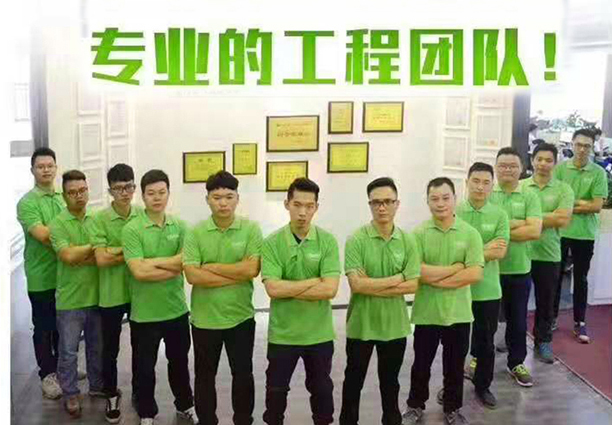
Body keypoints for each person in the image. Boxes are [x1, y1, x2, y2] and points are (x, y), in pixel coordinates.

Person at [401, 178, 484, 425]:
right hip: (426, 313)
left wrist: (435, 278)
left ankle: (452, 408)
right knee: (421, 365)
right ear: (427, 202)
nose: (440, 203)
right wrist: (455, 269)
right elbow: (416, 271)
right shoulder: (418, 234)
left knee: (455, 366)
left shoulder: (470, 233)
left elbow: (474, 274)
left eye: (445, 198)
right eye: (434, 199)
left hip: (459, 314)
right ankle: (415, 405)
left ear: (455, 199)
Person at [183, 171, 263, 425]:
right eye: (217, 197)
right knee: (205, 377)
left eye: (229, 197)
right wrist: (235, 273)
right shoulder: (195, 232)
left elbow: (252, 269)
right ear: (207, 199)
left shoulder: (251, 229)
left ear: (237, 198)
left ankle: (243, 420)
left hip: (241, 317)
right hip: (205, 320)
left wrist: (212, 268)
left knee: (243, 374)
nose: (223, 203)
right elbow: (192, 275)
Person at [339, 177, 420, 425]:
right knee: (353, 382)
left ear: (397, 204)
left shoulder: (408, 241)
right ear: (370, 205)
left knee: (390, 384)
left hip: (394, 327)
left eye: (387, 201)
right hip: (361, 325)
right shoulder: (357, 239)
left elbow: (413, 285)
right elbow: (357, 285)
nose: (382, 207)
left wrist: (372, 285)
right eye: (376, 202)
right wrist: (398, 278)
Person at [261, 178, 340, 425]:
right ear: (287, 204)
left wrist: (289, 287)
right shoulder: (272, 243)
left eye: (309, 206)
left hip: (319, 334)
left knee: (322, 391)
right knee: (276, 393)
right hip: (283, 334)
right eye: (297, 205)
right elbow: (273, 288)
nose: (303, 212)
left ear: (316, 207)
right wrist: (313, 282)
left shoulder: (327, 241)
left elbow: (330, 289)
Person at [122, 170, 197, 425]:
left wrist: (151, 262)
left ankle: (185, 406)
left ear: (168, 193)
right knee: (144, 368)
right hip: (144, 313)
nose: (157, 198)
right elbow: (139, 272)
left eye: (162, 192)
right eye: (151, 193)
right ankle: (146, 413)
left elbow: (185, 262)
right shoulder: (132, 229)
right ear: (142, 196)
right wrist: (171, 266)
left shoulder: (180, 226)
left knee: (180, 363)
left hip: (176, 310)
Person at [49, 170, 104, 417]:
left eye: (82, 190)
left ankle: (97, 386)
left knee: (96, 347)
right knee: (69, 352)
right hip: (70, 300)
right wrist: (93, 248)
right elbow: (68, 256)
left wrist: (81, 254)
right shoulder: (57, 224)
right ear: (64, 195)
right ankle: (71, 393)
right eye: (72, 192)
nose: (79, 196)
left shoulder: (97, 219)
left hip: (97, 296)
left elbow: (103, 255)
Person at [91, 164, 143, 423]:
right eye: (119, 188)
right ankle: (111, 393)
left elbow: (150, 253)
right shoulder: (99, 219)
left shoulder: (143, 214)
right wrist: (132, 252)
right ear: (110, 190)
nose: (125, 193)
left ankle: (140, 393)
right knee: (109, 349)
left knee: (140, 347)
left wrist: (114, 250)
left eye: (129, 187)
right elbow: (101, 259)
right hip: (110, 294)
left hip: (139, 293)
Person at [457, 163, 509, 409]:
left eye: (486, 182)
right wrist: (483, 249)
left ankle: (483, 386)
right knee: (456, 344)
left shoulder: (499, 215)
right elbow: (450, 252)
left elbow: (499, 251)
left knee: (486, 343)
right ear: (466, 182)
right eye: (475, 181)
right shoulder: (454, 211)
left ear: (492, 185)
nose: (480, 187)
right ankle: (452, 385)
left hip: (488, 290)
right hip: (458, 289)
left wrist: (468, 253)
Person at [490, 147, 542, 387]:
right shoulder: (488, 194)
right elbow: (481, 232)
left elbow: (534, 231)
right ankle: (478, 359)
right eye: (503, 165)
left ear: (521, 168)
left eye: (512, 166)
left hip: (520, 269)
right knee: (484, 321)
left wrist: (501, 229)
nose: (507, 170)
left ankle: (516, 363)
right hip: (490, 270)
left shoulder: (530, 196)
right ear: (496, 168)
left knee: (518, 321)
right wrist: (517, 223)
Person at [16, 147, 65, 400]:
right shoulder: (27, 203)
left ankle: (62, 368)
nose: (46, 170)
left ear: (56, 168)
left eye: (50, 165)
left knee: (63, 325)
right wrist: (71, 240)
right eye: (40, 166)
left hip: (66, 275)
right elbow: (43, 235)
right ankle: (47, 374)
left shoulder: (63, 197)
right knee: (44, 327)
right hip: (41, 276)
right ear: (33, 170)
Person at [553, 129, 609, 343]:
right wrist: (581, 203)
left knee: (581, 279)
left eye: (587, 146)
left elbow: (596, 206)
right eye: (579, 145)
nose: (582, 149)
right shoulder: (560, 169)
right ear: (572, 144)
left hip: (584, 234)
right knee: (555, 277)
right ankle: (551, 318)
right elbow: (554, 200)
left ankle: (580, 321)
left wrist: (570, 204)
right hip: (559, 232)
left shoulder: (598, 173)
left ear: (592, 148)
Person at [522, 143, 574, 362]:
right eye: (539, 159)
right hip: (521, 254)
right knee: (516, 302)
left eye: (548, 160)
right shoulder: (520, 187)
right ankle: (513, 338)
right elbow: (510, 217)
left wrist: (530, 217)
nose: (543, 164)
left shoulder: (564, 189)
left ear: (555, 163)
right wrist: (546, 216)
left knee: (546, 302)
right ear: (532, 160)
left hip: (549, 254)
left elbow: (562, 219)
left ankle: (543, 341)